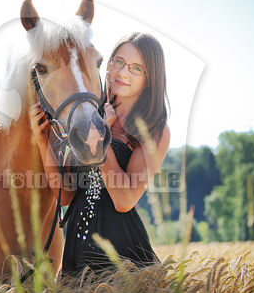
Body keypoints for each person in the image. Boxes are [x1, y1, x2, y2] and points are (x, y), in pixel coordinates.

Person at [30, 32, 171, 275]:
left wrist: (101, 139)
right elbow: (65, 197)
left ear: (150, 78)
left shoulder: (154, 129)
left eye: (136, 68)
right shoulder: (85, 113)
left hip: (123, 259)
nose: (123, 72)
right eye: (118, 61)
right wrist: (43, 141)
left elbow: (124, 200)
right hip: (75, 255)